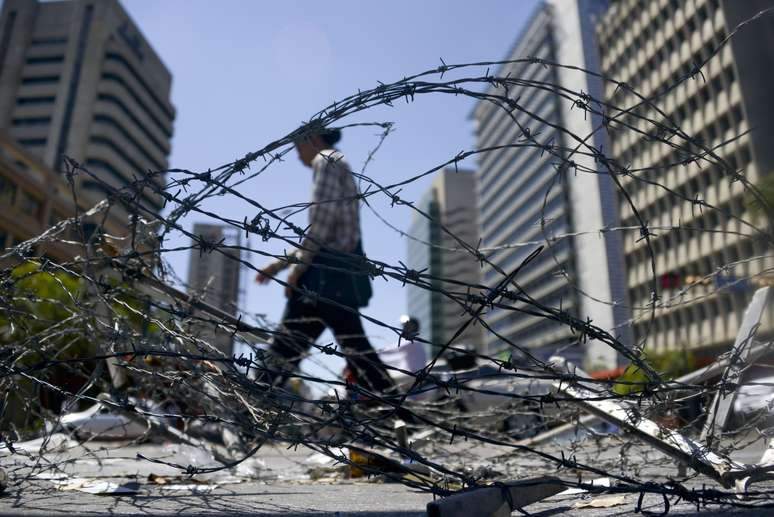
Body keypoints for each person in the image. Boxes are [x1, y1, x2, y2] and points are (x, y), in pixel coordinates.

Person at [256, 126, 396, 394]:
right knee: (360, 355)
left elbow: (320, 226)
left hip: (321, 279)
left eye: (299, 149)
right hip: (337, 279)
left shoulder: (327, 160)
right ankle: (401, 418)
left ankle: (246, 412)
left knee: (282, 352)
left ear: (314, 140)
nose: (298, 157)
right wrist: (278, 264)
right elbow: (322, 234)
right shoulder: (339, 163)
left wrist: (296, 271)